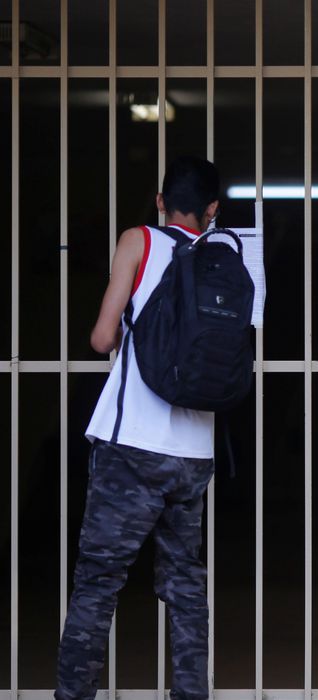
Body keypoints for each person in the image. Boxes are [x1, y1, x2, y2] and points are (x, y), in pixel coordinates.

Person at [57, 157, 222, 700]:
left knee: (99, 579)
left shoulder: (139, 241)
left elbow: (102, 339)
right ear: (212, 209)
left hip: (131, 445)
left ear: (160, 201)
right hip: (194, 450)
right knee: (185, 584)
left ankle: (74, 694)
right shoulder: (228, 253)